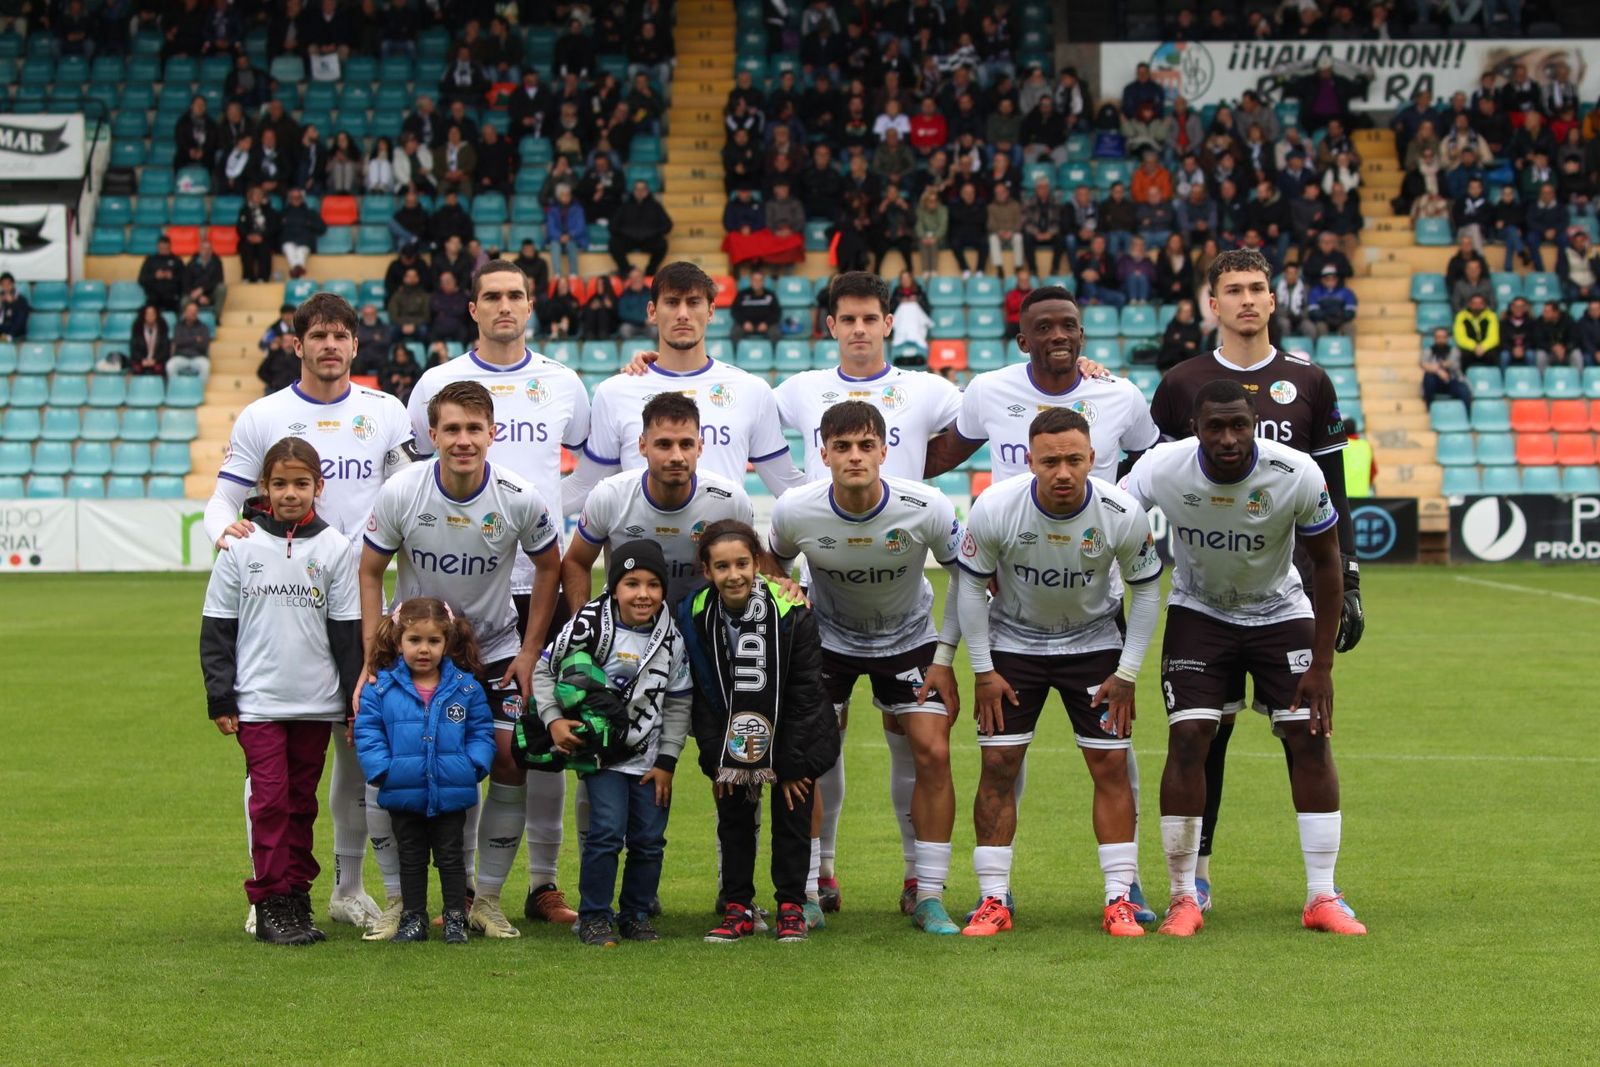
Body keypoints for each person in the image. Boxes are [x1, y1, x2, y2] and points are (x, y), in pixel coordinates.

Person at [1147, 248, 1364, 916]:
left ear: (1273, 300)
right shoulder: (1182, 381)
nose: (1246, 300)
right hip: (1206, 591)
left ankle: (1323, 891)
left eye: (1258, 289)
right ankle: (1197, 877)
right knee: (1203, 735)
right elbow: (1152, 478)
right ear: (1213, 303)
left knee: (1305, 733)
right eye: (1233, 289)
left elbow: (1334, 488)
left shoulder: (1310, 380)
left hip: (1288, 591)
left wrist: (1348, 577)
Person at [204, 293, 415, 934]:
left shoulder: (386, 412)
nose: (330, 345)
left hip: (367, 605)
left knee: (354, 755)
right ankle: (269, 893)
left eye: (341, 335)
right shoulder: (263, 415)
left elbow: (409, 493)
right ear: (297, 344)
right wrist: (227, 535)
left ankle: (348, 888)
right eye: (318, 335)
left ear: (356, 344)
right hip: (283, 595)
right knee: (271, 773)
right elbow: (224, 499)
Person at [403, 261, 590, 926]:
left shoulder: (563, 382)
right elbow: (409, 476)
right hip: (453, 599)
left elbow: (588, 460)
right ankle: (456, 892)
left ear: (531, 304)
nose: (504, 305)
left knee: (537, 747)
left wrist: (557, 515)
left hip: (536, 588)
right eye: (492, 296)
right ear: (473, 307)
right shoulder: (436, 383)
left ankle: (542, 883)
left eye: (515, 295)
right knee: (456, 745)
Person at [361, 380, 563, 940]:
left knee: (506, 758)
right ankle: (400, 902)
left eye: (474, 429)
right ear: (433, 434)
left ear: (493, 433)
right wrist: (370, 659)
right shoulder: (403, 491)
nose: (463, 440)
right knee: (393, 765)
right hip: (417, 650)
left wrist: (529, 649)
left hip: (494, 650)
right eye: (451, 429)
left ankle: (486, 900)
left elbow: (550, 567)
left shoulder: (518, 496)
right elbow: (370, 571)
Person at [956, 408, 1164, 938]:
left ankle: (1119, 898)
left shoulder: (1121, 511)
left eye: (1075, 459)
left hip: (1094, 645)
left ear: (1094, 459)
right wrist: (982, 671)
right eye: (1050, 461)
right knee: (998, 765)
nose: (1064, 472)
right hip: (1014, 646)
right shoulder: (995, 508)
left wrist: (1127, 671)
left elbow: (1146, 592)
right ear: (1029, 461)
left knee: (1110, 769)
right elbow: (969, 590)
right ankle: (993, 900)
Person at [767, 400, 965, 934]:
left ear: (883, 450)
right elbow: (773, 561)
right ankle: (809, 890)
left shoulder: (927, 505)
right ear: (824, 454)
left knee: (933, 748)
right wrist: (784, 585)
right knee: (809, 755)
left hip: (909, 637)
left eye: (865, 446)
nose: (855, 456)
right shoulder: (795, 509)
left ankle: (926, 893)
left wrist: (945, 660)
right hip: (827, 640)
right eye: (842, 448)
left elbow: (967, 578)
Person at [200, 437, 363, 945]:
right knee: (269, 801)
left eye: (300, 483)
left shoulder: (336, 548)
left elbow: (346, 632)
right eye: (279, 484)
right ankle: (270, 900)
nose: (290, 493)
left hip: (316, 704)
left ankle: (296, 895)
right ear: (263, 488)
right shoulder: (240, 545)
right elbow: (217, 628)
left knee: (300, 803)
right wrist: (221, 697)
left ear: (319, 486)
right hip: (258, 703)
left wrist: (351, 703)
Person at [680, 520, 841, 944]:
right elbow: (703, 691)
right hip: (730, 731)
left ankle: (792, 905)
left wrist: (791, 764)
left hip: (792, 727)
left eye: (742, 563)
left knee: (793, 807)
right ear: (706, 571)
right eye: (722, 566)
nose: (733, 575)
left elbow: (806, 692)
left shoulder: (790, 611)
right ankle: (737, 906)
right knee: (732, 816)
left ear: (757, 564)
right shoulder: (694, 613)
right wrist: (718, 758)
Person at [530, 541, 691, 946]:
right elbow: (545, 670)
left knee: (649, 840)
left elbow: (678, 701)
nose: (643, 594)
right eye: (631, 583)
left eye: (653, 585)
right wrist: (553, 721)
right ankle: (595, 916)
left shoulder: (671, 638)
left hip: (650, 756)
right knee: (604, 833)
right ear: (613, 586)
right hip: (602, 756)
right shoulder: (589, 624)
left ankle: (636, 914)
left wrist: (668, 760)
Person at [565, 262, 804, 512]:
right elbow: (586, 487)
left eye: (693, 302)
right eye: (671, 302)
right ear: (652, 311)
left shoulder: (751, 390)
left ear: (711, 311)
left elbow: (788, 486)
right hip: (640, 548)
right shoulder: (615, 392)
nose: (682, 313)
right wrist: (524, 508)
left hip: (721, 547)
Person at [354, 598, 494, 944]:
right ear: (398, 640)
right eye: (414, 640)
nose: (423, 649)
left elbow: (481, 733)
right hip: (403, 790)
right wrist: (384, 771)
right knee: (411, 857)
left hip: (451, 791)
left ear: (447, 643)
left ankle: (455, 918)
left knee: (451, 857)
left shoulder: (465, 688)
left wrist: (471, 767)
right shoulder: (381, 688)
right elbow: (368, 733)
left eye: (433, 641)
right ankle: (413, 918)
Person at [563, 391, 757, 613]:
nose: (676, 456)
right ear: (643, 446)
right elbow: (576, 562)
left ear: (700, 447)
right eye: (664, 445)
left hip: (703, 632)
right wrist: (582, 623)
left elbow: (754, 567)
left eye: (686, 444)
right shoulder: (609, 495)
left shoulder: (731, 500)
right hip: (627, 631)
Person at [610, 180, 673, 276]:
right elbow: (613, 226)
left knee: (662, 244)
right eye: (637, 189)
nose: (640, 192)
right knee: (614, 243)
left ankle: (650, 272)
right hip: (628, 239)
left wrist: (654, 232)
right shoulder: (624, 206)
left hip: (649, 240)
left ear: (647, 191)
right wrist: (625, 232)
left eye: (643, 189)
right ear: (633, 191)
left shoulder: (655, 206)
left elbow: (668, 225)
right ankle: (627, 271)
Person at [1422, 326, 1474, 413]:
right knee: (1428, 378)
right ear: (1434, 338)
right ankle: (1430, 409)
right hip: (1435, 382)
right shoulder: (1428, 351)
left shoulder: (1454, 350)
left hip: (1452, 380)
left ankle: (1467, 416)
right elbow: (1423, 364)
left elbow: (1454, 365)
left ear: (1447, 338)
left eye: (1443, 337)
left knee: (1464, 391)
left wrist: (1437, 366)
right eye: (1438, 337)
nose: (1440, 340)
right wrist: (1439, 371)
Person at [236, 186, 279, 283]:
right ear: (250, 196)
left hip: (264, 238)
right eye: (256, 195)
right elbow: (240, 227)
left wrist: (262, 236)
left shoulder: (269, 210)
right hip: (249, 238)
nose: (258, 197)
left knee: (264, 248)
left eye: (260, 195)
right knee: (246, 247)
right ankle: (247, 277)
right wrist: (248, 236)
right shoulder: (244, 210)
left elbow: (273, 227)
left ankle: (263, 277)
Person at [1453, 293, 1501, 371]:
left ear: (1484, 304)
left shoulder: (1492, 316)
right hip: (1469, 348)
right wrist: (1474, 347)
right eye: (1474, 303)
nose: (1477, 305)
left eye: (1480, 303)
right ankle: (1463, 379)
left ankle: (1491, 378)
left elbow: (1494, 337)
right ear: (1469, 304)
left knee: (1493, 354)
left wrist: (1483, 347)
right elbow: (1460, 338)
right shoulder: (1461, 316)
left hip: (1486, 348)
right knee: (1464, 355)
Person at [1306, 266, 1357, 339]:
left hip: (1341, 320)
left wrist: (1341, 317)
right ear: (1322, 280)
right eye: (1327, 279)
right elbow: (1313, 311)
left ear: (1337, 279)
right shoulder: (1315, 292)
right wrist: (1326, 317)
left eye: (1333, 279)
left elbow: (1351, 310)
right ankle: (1324, 349)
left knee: (1350, 327)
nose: (1330, 281)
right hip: (1323, 320)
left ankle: (1349, 350)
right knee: (1320, 327)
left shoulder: (1346, 292)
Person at [730, 270, 780, 343]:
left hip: (766, 325)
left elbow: (777, 312)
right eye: (755, 280)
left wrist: (766, 323)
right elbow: (735, 311)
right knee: (735, 333)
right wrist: (744, 322)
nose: (757, 282)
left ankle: (773, 353)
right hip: (746, 324)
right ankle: (737, 353)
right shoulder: (742, 294)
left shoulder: (770, 295)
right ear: (751, 281)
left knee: (775, 333)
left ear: (763, 282)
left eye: (760, 280)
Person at [138, 236, 185, 311]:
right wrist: (155, 276)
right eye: (161, 248)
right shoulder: (150, 260)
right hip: (154, 298)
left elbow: (185, 280)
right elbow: (141, 279)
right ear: (158, 247)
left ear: (170, 247)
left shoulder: (177, 261)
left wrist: (172, 277)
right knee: (144, 311)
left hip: (172, 298)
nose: (163, 250)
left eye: (166, 248)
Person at [169, 302, 212, 382]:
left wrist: (185, 340)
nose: (193, 313)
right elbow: (178, 342)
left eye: (195, 311)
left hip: (198, 357)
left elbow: (203, 345)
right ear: (185, 312)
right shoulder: (178, 326)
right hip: (181, 357)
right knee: (170, 366)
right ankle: (176, 389)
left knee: (206, 366)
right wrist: (195, 339)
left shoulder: (203, 327)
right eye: (190, 311)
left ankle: (199, 390)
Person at [182, 239, 227, 313]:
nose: (206, 251)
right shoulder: (191, 264)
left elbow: (218, 280)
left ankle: (216, 318)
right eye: (203, 249)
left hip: (211, 293)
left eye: (208, 249)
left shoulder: (217, 263)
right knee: (184, 301)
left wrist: (203, 290)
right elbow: (186, 283)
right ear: (199, 250)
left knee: (222, 288)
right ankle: (185, 322)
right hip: (195, 294)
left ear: (211, 250)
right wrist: (199, 297)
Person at [128, 304, 171, 377]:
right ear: (144, 315)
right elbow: (134, 349)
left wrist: (155, 360)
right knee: (136, 368)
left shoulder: (162, 328)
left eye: (153, 314)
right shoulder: (137, 328)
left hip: (157, 360)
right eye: (148, 314)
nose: (150, 316)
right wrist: (142, 360)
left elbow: (165, 349)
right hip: (142, 360)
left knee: (160, 368)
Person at [0, 272, 31, 340]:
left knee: (21, 312)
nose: (6, 287)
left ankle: (9, 337)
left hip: (15, 330)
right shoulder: (1, 297)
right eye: (3, 285)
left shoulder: (21, 300)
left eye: (8, 284)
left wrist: (12, 303)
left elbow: (22, 318)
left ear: (13, 284)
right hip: (2, 328)